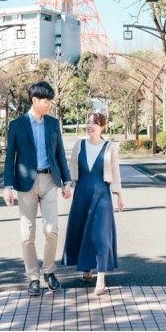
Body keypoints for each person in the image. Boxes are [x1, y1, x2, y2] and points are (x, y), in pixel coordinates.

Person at [2, 81, 72, 296]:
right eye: (46, 101)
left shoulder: (53, 123)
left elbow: (59, 153)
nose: (49, 104)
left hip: (50, 181)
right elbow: (9, 157)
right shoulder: (16, 125)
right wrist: (7, 186)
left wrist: (67, 181)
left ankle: (49, 272)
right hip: (25, 185)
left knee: (51, 230)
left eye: (50, 101)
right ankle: (33, 277)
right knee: (28, 233)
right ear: (35, 100)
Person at [62, 112, 125, 296]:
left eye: (94, 123)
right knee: (82, 230)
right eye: (87, 122)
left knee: (100, 234)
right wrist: (68, 186)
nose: (90, 125)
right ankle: (87, 267)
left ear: (102, 126)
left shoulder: (109, 147)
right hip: (81, 194)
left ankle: (101, 277)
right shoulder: (79, 145)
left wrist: (119, 195)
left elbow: (115, 171)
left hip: (102, 194)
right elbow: (72, 168)